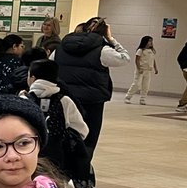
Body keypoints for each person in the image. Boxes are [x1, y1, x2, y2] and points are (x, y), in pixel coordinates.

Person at [54, 17, 131, 154]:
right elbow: (125, 58)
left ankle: (63, 164)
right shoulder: (103, 50)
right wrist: (111, 39)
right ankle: (83, 165)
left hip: (65, 97)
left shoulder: (60, 48)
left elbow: (50, 65)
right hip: (92, 100)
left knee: (63, 132)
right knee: (89, 137)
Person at [23, 59, 91, 188]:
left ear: (32, 78)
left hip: (29, 154)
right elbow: (82, 130)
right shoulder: (64, 100)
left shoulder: (24, 100)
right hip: (58, 157)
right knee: (56, 187)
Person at [124, 35, 158, 105]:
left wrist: (155, 68)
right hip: (141, 70)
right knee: (136, 84)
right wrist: (139, 69)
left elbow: (153, 60)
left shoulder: (152, 51)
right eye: (149, 41)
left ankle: (143, 99)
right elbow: (137, 60)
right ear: (145, 42)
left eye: (151, 41)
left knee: (146, 86)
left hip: (148, 70)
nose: (151, 42)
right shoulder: (140, 50)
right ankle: (128, 97)